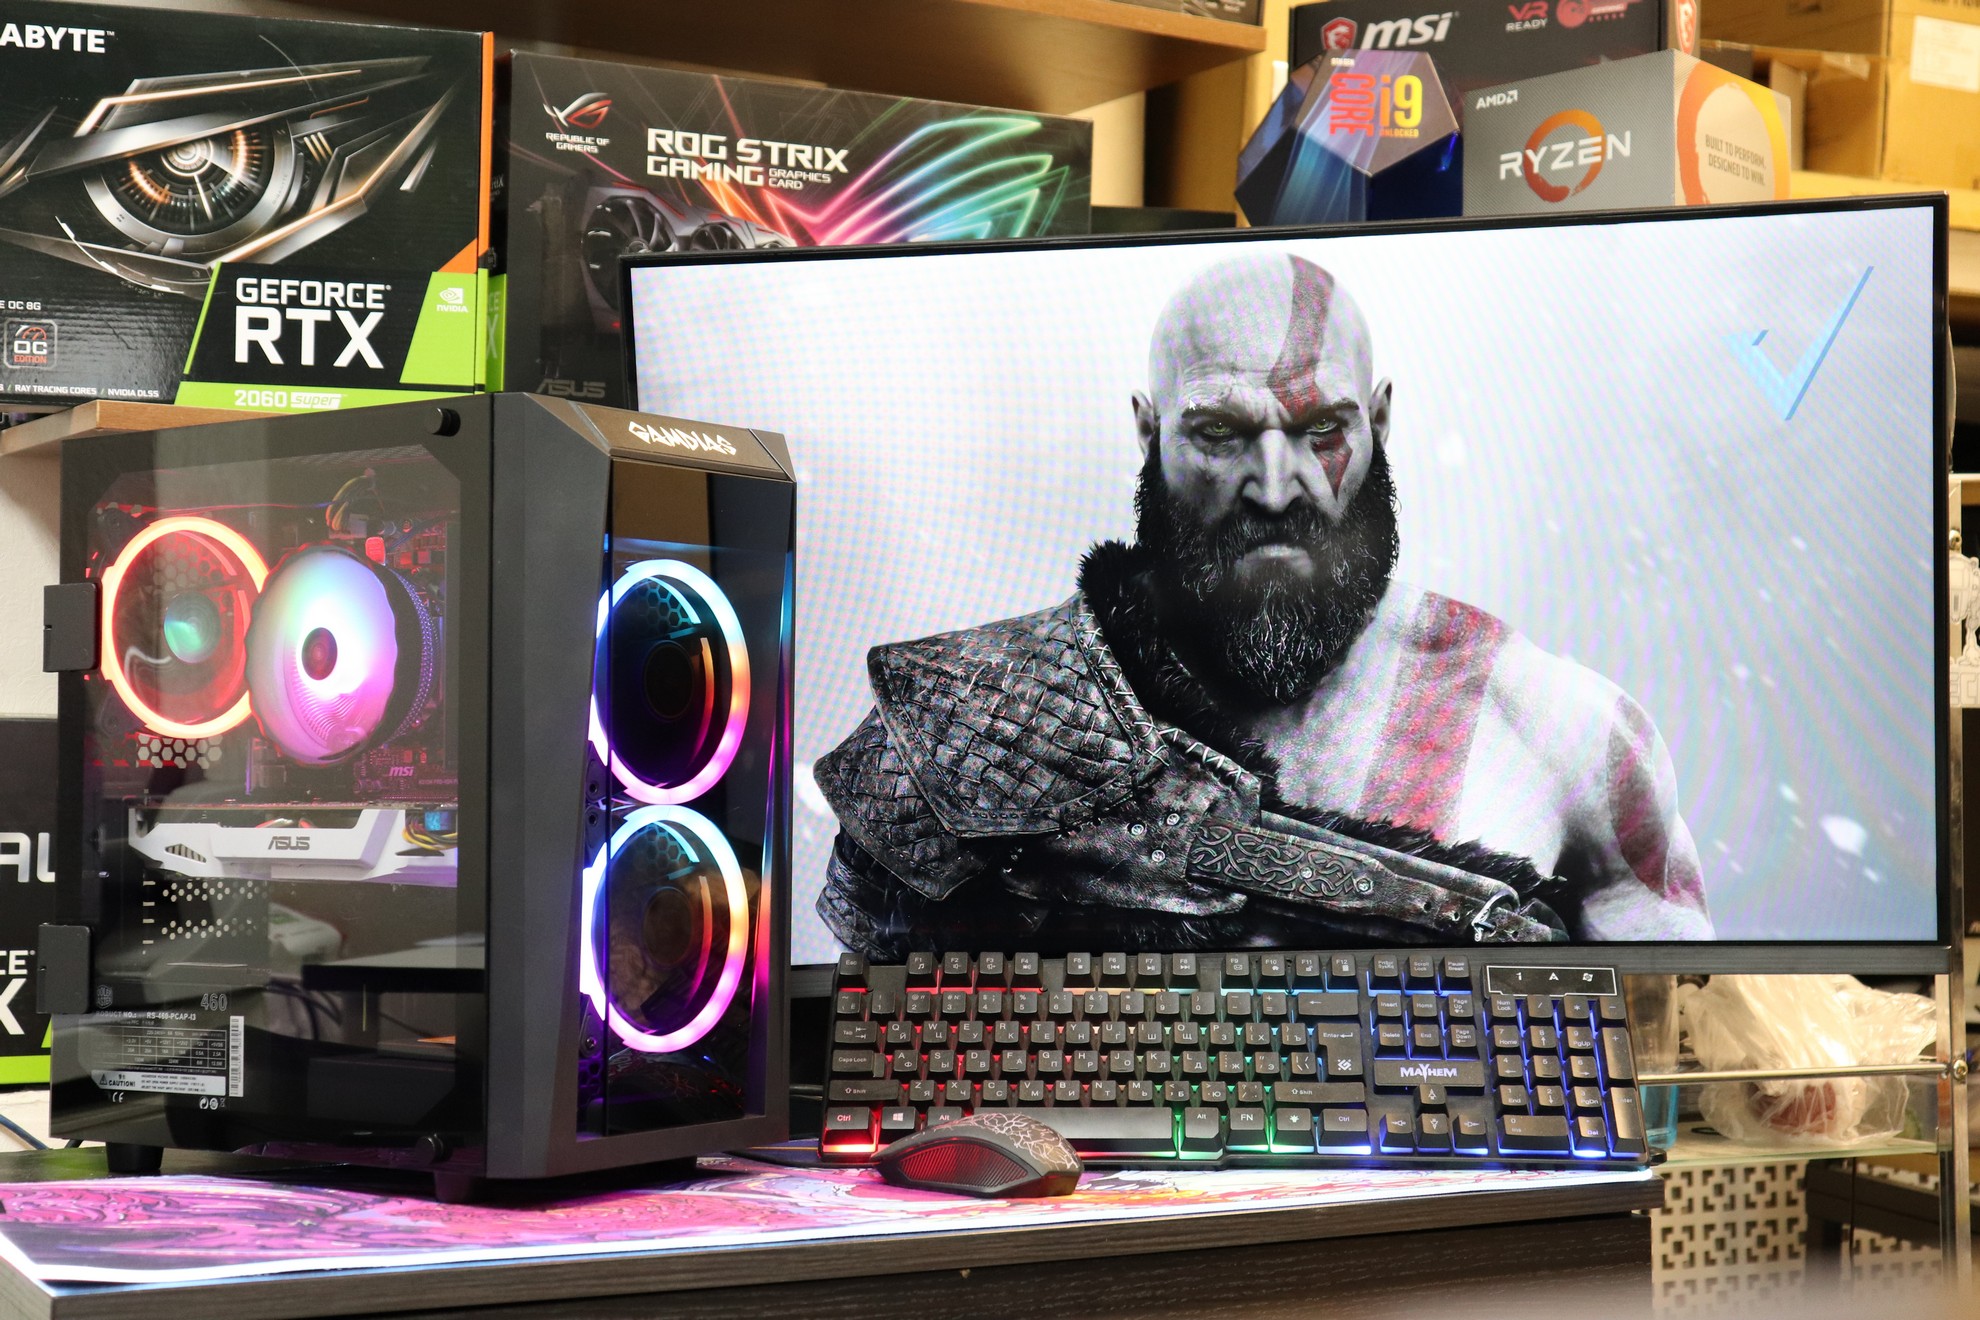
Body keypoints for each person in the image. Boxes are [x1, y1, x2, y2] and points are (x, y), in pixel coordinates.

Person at [815, 250, 1714, 958]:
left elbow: (1660, 1052)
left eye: (1321, 430)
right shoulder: (972, 722)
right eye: (1220, 432)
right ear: (1148, 431)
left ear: (1379, 423)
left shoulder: (1561, 732)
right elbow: (883, 1048)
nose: (1276, 488)